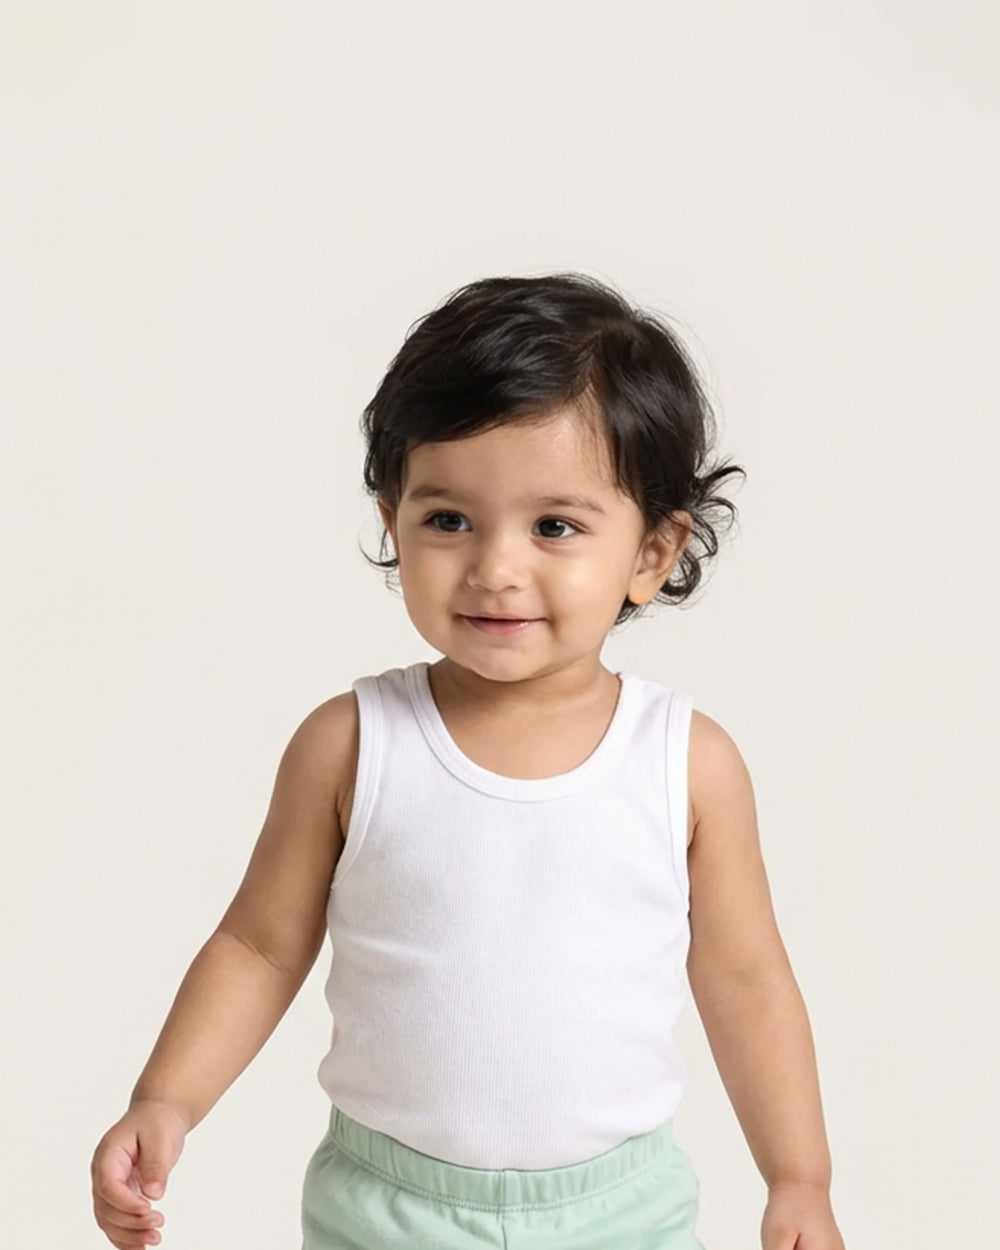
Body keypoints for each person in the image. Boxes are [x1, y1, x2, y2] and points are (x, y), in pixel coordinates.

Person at [90, 272, 847, 1250]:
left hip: (622, 1211)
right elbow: (258, 947)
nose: (495, 567)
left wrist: (798, 1177)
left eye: (554, 526)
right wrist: (166, 1097)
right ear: (391, 520)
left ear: (653, 553)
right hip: (386, 1208)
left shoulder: (686, 763)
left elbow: (747, 981)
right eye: (448, 519)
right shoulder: (351, 744)